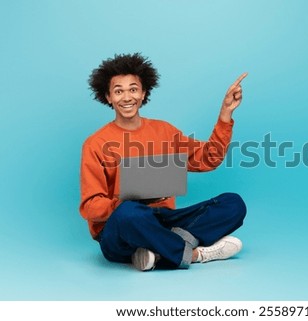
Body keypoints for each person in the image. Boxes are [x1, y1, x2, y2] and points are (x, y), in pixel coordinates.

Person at [79, 53, 247, 271]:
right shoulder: (95, 143)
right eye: (118, 91)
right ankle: (195, 254)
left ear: (143, 93)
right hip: (120, 229)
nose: (127, 97)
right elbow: (89, 207)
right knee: (130, 213)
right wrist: (126, 202)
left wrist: (225, 114)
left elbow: (209, 158)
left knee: (233, 203)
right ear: (109, 97)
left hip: (163, 221)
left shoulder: (164, 131)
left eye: (133, 89)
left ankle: (155, 252)